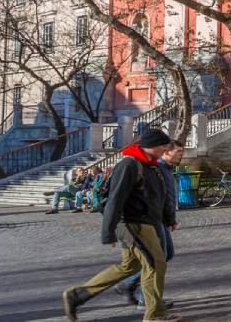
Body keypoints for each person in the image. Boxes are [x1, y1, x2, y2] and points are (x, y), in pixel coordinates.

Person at [62, 128, 176, 321]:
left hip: (147, 222)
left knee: (129, 267)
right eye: (163, 146)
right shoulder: (129, 165)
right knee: (156, 264)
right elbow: (116, 199)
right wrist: (108, 232)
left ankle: (77, 295)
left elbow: (159, 195)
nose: (166, 150)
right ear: (151, 146)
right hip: (134, 224)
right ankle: (155, 314)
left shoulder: (150, 165)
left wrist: (168, 218)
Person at [117, 140, 183, 309]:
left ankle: (129, 284)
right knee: (156, 259)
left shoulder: (166, 169)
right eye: (178, 151)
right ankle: (145, 300)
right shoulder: (157, 167)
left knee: (166, 255)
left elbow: (167, 197)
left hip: (161, 219)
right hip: (151, 220)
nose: (181, 154)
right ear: (166, 151)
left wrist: (171, 219)